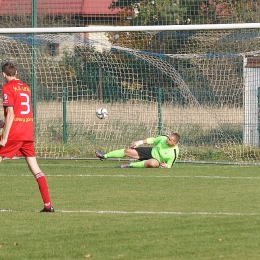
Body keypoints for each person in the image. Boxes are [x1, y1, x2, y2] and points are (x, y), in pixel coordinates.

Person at [0, 62, 54, 212]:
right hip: (27, 132)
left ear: (4, 74)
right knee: (35, 168)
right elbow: (19, 110)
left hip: (14, 133)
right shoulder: (26, 87)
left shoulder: (7, 88)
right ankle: (48, 205)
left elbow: (12, 113)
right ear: (16, 72)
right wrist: (3, 122)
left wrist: (4, 137)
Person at [95, 132, 180, 168]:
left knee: (152, 163)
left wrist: (166, 166)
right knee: (127, 151)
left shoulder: (174, 153)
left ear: (175, 143)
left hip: (156, 160)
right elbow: (152, 140)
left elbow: (170, 165)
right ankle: (104, 156)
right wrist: (139, 143)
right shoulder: (163, 138)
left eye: (170, 140)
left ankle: (130, 165)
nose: (167, 140)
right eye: (168, 138)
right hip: (150, 151)